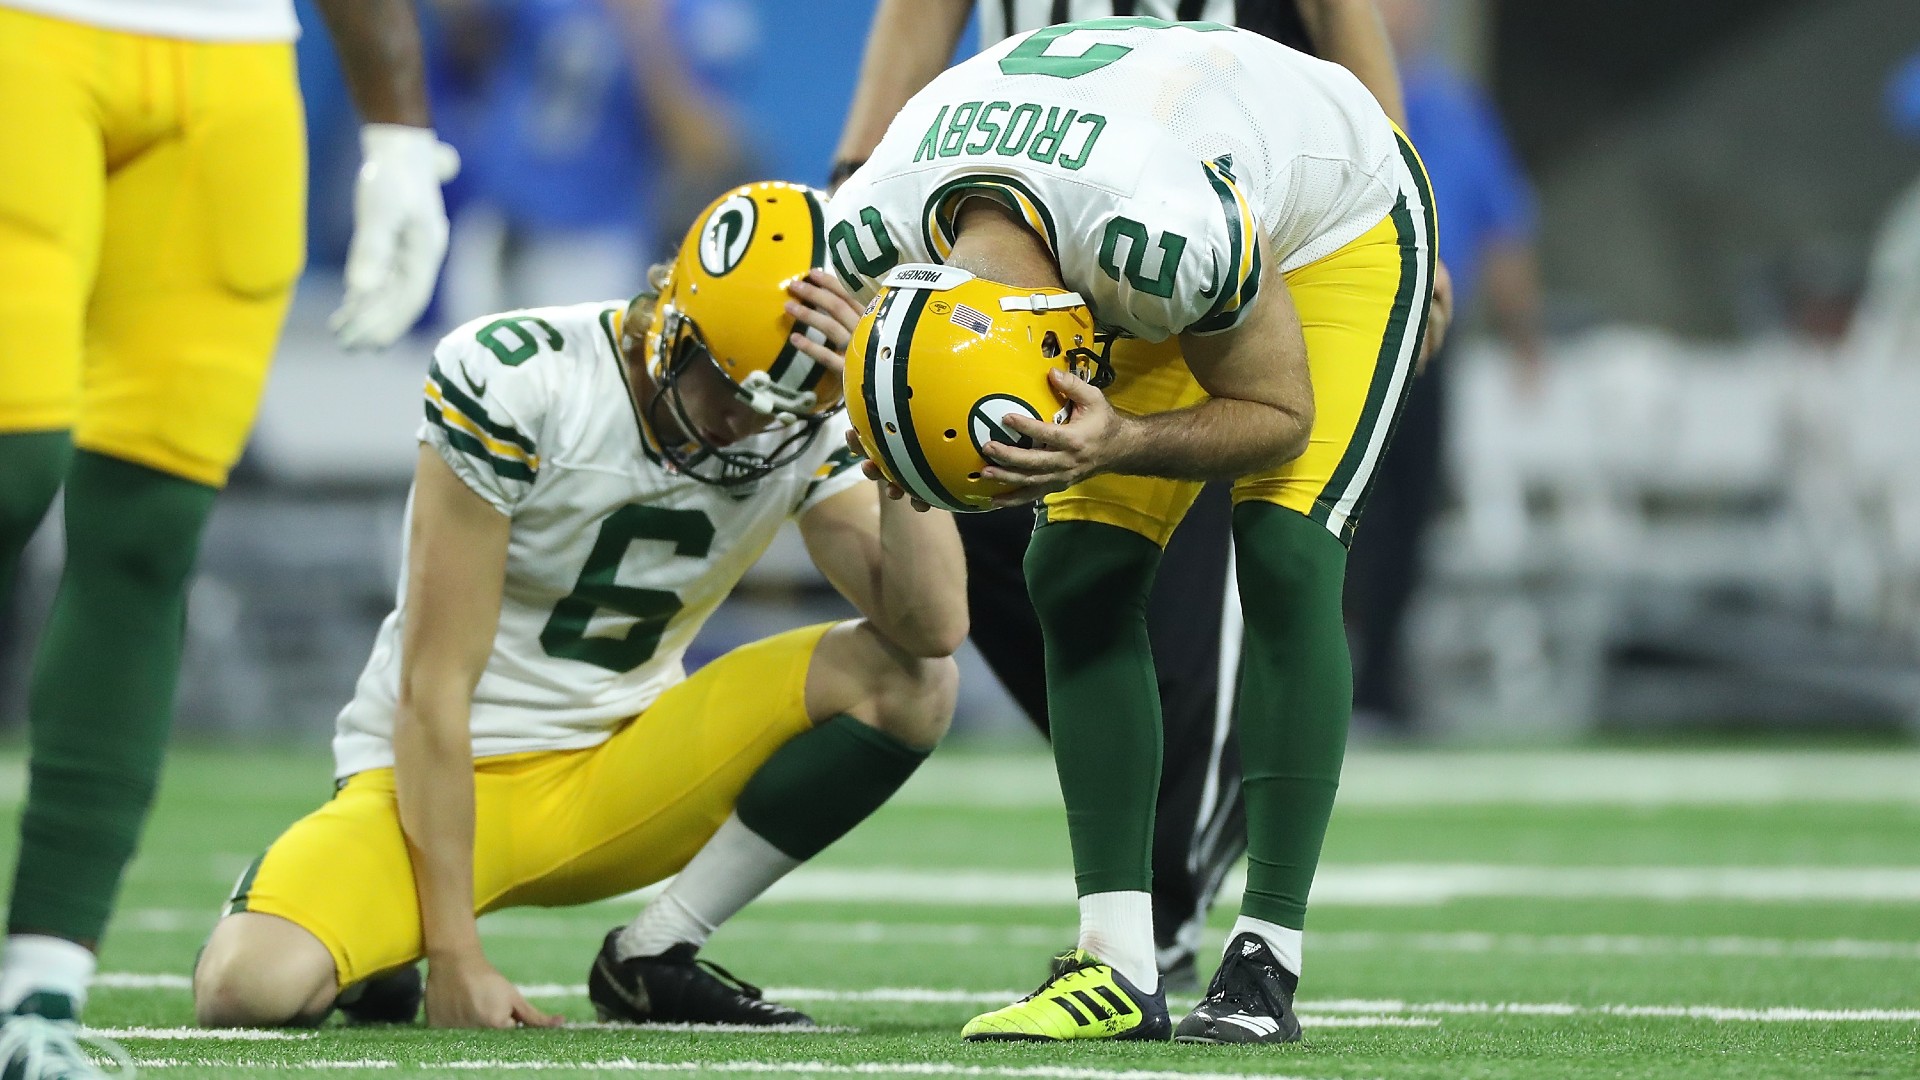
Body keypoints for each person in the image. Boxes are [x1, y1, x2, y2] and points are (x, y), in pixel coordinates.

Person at [191, 182, 967, 1030]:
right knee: (248, 990)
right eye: (727, 387)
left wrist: (889, 414)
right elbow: (434, 687)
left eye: (779, 406)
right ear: (672, 314)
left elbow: (932, 626)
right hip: (438, 781)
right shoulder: (525, 380)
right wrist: (457, 956)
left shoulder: (803, 413)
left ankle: (654, 952)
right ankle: (391, 946)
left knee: (911, 678)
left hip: (624, 772)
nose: (744, 423)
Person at [831, 16, 1435, 1042]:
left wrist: (1122, 440)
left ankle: (1266, 963)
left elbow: (1277, 413)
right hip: (1128, 192)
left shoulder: (1156, 238)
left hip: (1337, 215)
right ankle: (1117, 963)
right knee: (1073, 567)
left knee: (1287, 550)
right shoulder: (866, 227)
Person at [0, 0, 455, 1072]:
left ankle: (39, 993)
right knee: (13, 471)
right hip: (28, 36)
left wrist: (396, 130)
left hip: (235, 66)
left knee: (151, 531)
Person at [1345, 0, 1544, 733]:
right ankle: (1334, 666)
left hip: (1430, 329)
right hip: (1350, 326)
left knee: (1413, 503)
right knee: (1342, 504)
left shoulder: (1457, 109)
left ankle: (1384, 679)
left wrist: (1526, 332)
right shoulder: (1339, 97)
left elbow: (1504, 224)